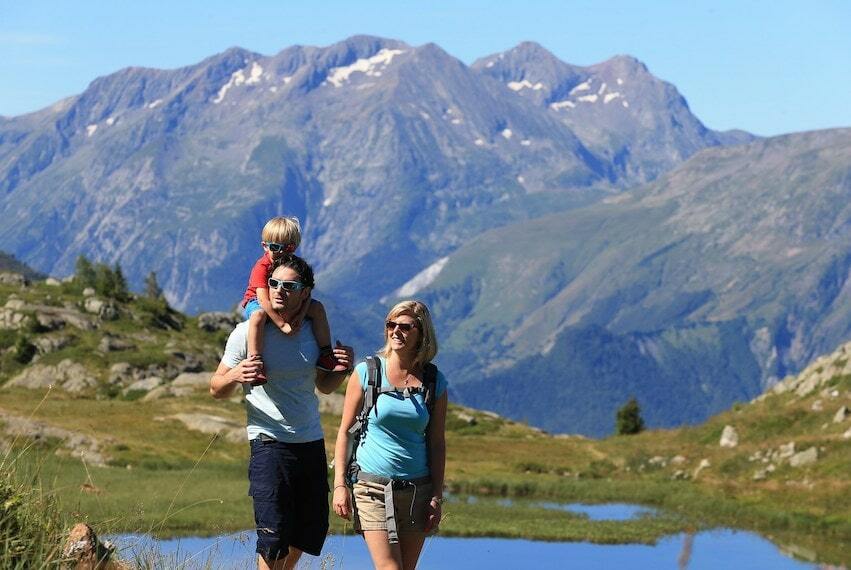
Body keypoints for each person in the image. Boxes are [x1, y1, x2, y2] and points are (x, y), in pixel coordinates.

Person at [211, 254, 354, 570]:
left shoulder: (313, 331)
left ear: (305, 293)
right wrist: (235, 375)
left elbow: (324, 386)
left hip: (311, 442)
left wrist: (343, 368)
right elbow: (216, 388)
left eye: (289, 286)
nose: (279, 290)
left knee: (307, 533)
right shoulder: (246, 332)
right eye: (274, 283)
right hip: (269, 443)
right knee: (273, 538)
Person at [332, 300, 448, 570]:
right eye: (391, 324)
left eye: (405, 327)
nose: (396, 331)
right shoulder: (367, 372)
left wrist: (436, 496)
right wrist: (339, 485)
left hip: (417, 491)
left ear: (422, 333)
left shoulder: (434, 382)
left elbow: (437, 444)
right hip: (371, 487)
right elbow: (345, 432)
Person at [240, 217, 339, 383]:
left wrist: (300, 315)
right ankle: (255, 362)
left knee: (317, 308)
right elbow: (263, 300)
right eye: (275, 247)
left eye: (288, 248)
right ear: (265, 246)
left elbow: (307, 292)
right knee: (258, 315)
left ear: (295, 247)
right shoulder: (261, 267)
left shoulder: (293, 265)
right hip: (256, 299)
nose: (281, 252)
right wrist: (283, 325)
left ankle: (326, 354)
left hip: (279, 299)